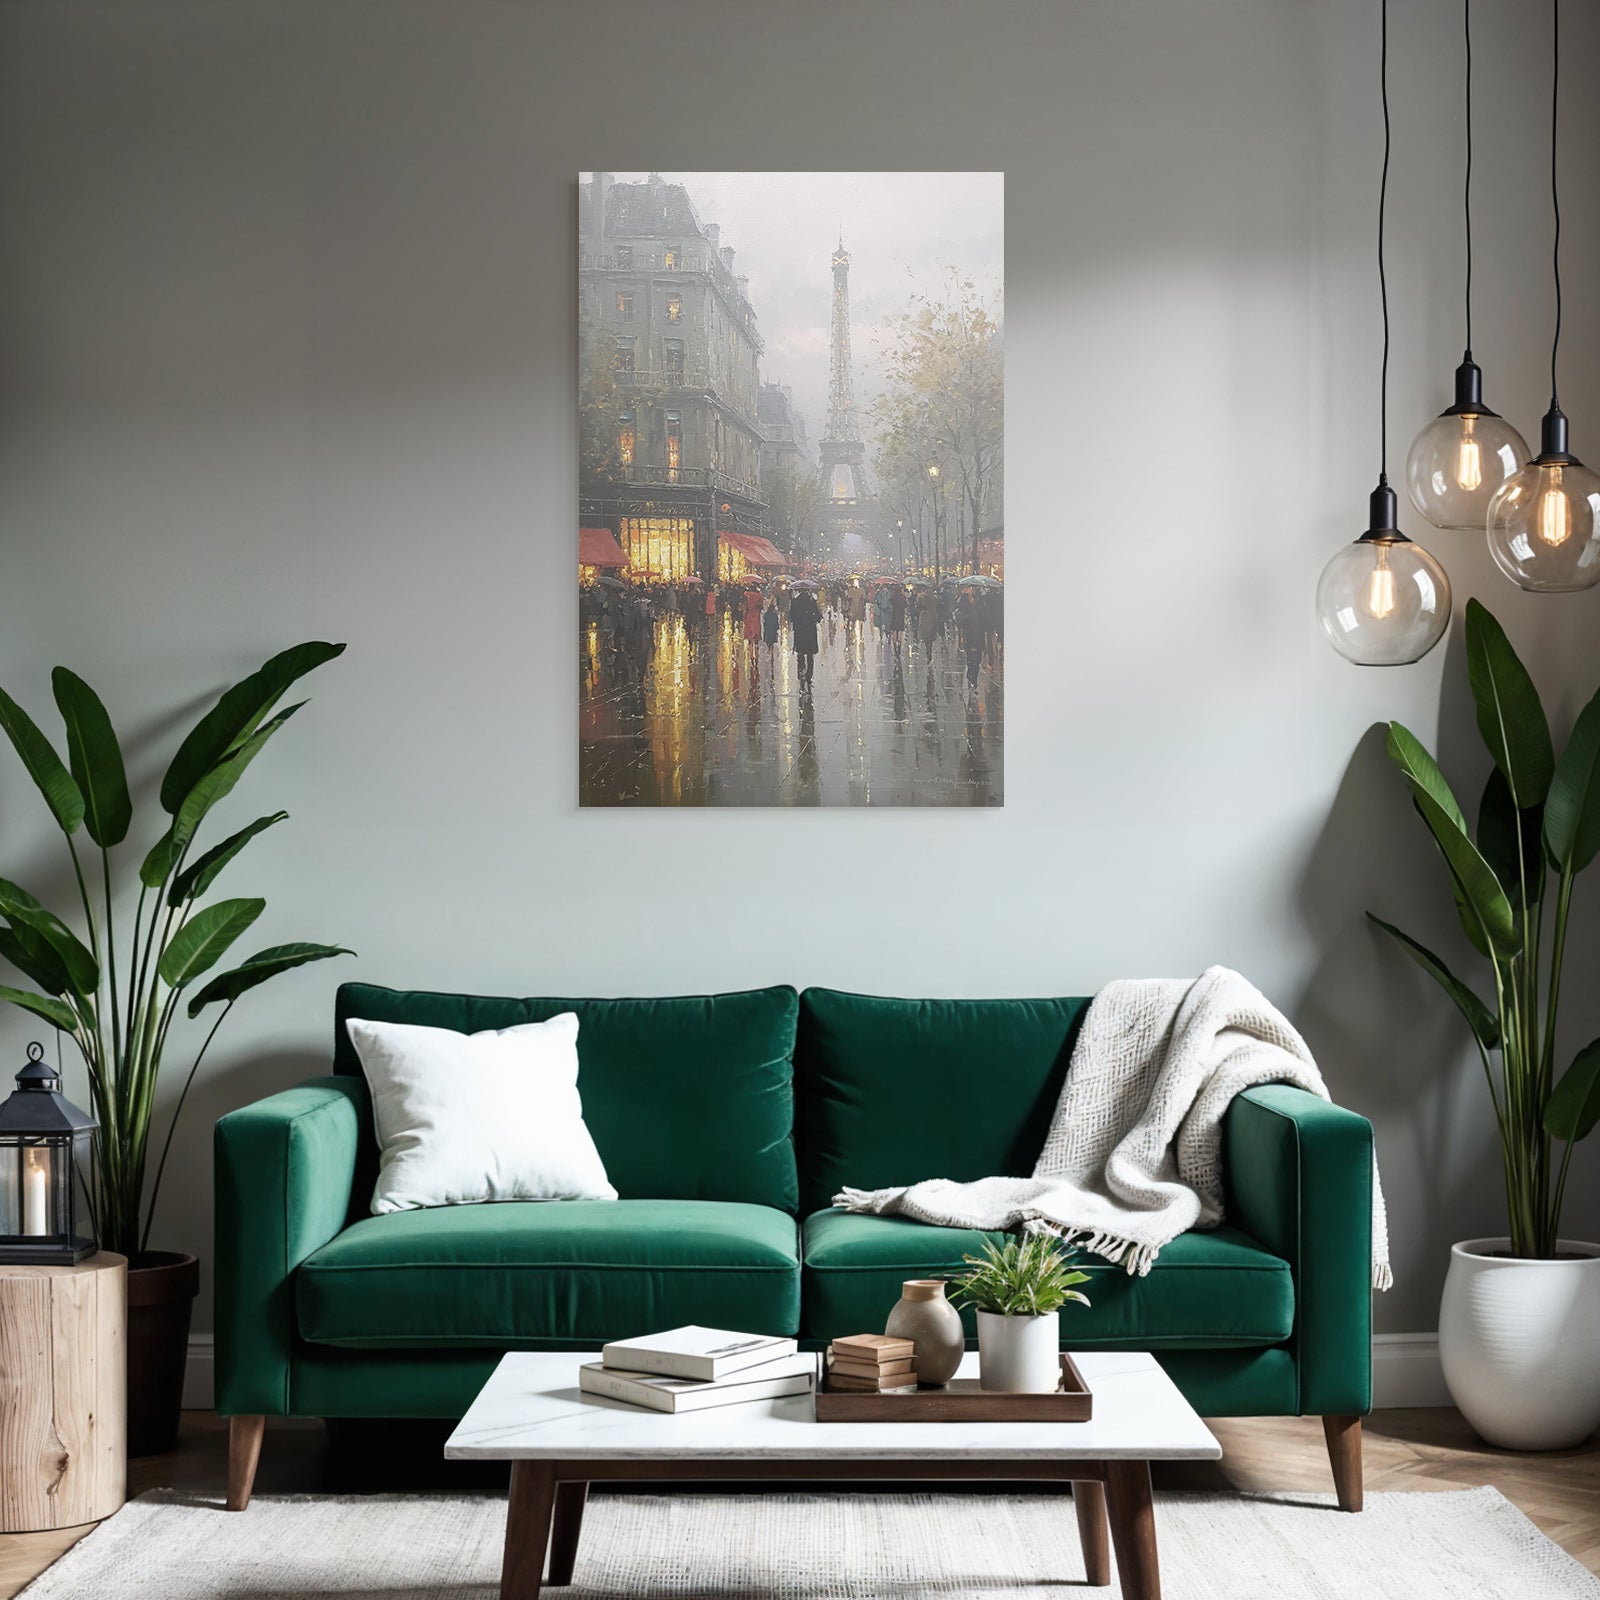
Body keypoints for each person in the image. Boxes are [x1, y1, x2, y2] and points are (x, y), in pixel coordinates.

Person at [790, 585, 822, 690]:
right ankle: (809, 674)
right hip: (810, 630)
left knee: (800, 652)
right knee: (809, 654)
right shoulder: (811, 601)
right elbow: (818, 616)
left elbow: (791, 617)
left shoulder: (795, 601)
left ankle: (801, 670)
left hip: (799, 630)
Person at [958, 592, 984, 695]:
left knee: (977, 660)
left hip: (978, 637)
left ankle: (973, 677)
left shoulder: (980, 607)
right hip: (969, 637)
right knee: (971, 659)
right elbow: (960, 621)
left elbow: (983, 621)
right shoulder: (965, 608)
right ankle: (972, 679)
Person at [742, 584, 764, 648]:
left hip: (749, 612)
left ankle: (749, 638)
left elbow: (744, 604)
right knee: (756, 625)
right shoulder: (759, 595)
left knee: (749, 624)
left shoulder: (747, 594)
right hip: (756, 612)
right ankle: (756, 639)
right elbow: (761, 605)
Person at [762, 596, 780, 662]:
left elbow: (764, 623)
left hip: (768, 631)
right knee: (772, 642)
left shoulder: (766, 615)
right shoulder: (775, 615)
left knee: (768, 642)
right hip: (773, 631)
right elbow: (777, 624)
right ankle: (771, 651)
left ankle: (769, 649)